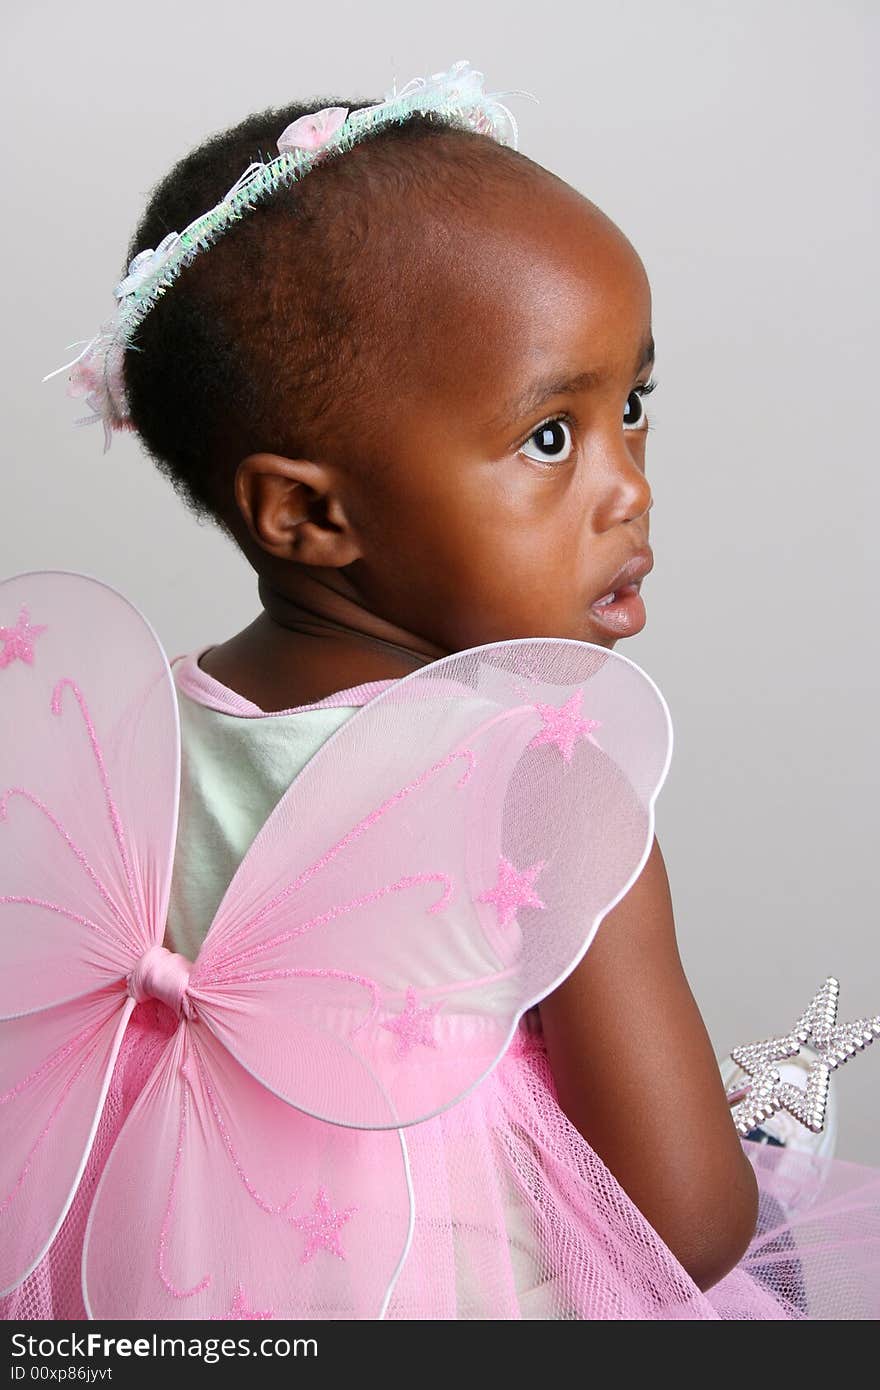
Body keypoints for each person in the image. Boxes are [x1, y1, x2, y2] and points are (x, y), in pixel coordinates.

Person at [4, 59, 878, 1320]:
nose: (626, 484)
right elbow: (679, 1222)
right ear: (308, 511)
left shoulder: (131, 737)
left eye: (631, 407)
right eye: (547, 438)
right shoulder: (545, 776)